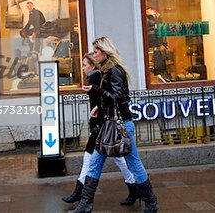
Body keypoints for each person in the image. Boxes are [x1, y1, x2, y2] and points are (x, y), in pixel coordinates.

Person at [71, 37, 159, 213]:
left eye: (96, 52)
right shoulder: (105, 70)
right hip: (108, 124)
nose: (94, 55)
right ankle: (86, 204)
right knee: (95, 162)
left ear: (105, 52)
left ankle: (151, 202)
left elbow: (118, 98)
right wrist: (98, 108)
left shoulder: (114, 71)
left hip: (121, 126)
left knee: (134, 164)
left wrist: (96, 90)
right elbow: (109, 98)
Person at [62, 53, 139, 206]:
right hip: (100, 123)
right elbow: (99, 102)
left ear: (92, 65)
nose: (82, 68)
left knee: (98, 160)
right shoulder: (95, 77)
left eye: (85, 65)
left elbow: (106, 100)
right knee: (112, 159)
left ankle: (82, 195)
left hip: (103, 125)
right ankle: (134, 189)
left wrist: (96, 120)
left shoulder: (97, 77)